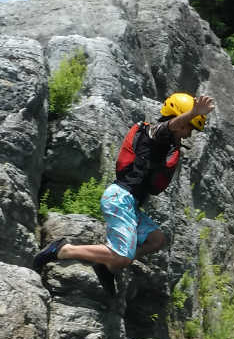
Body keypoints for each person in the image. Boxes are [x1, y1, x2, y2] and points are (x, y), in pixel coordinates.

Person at [33, 93, 216, 297]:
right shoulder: (154, 133)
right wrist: (193, 112)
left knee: (157, 239)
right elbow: (170, 127)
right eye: (189, 128)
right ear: (179, 119)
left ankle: (107, 266)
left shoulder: (165, 144)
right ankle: (63, 250)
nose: (189, 134)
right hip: (120, 199)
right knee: (122, 255)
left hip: (130, 204)